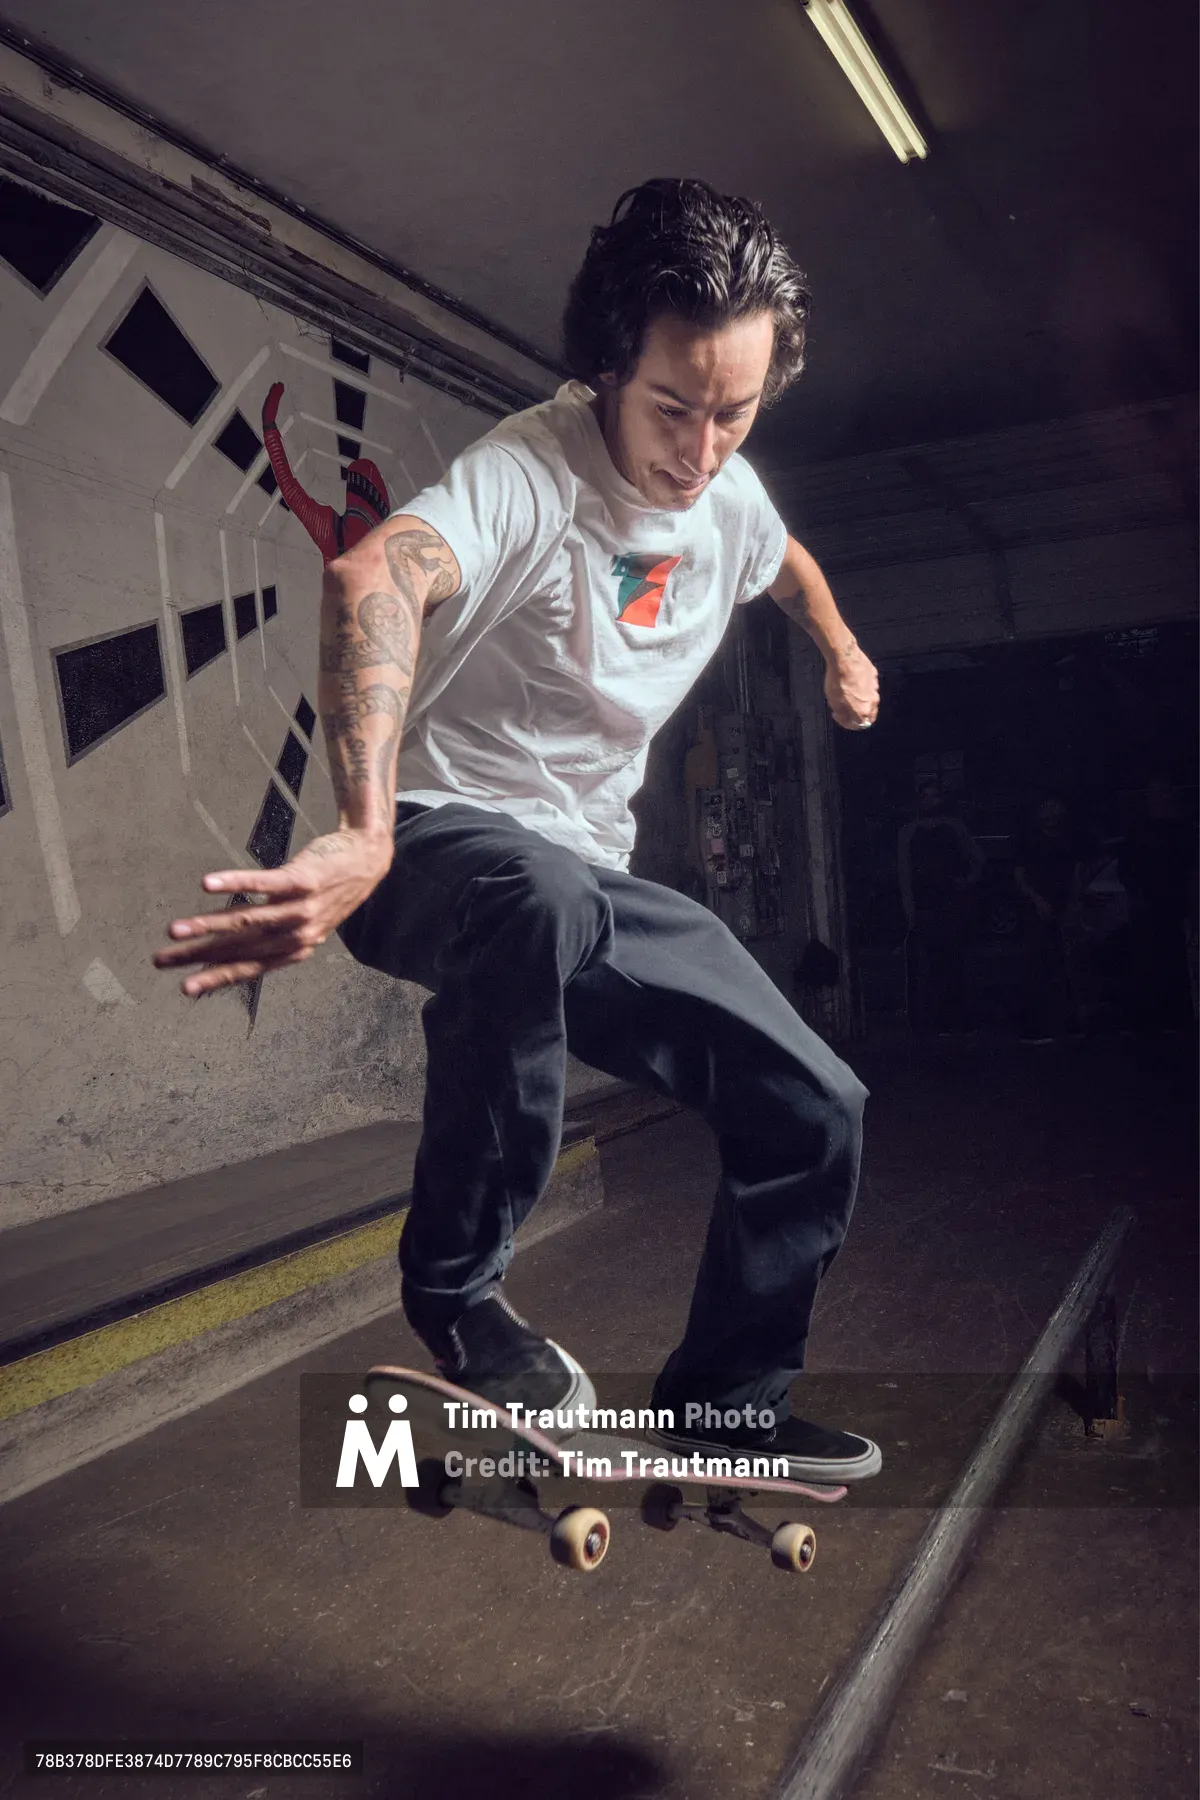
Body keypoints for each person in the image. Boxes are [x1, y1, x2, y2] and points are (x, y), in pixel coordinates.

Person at [153, 179, 883, 1484]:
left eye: (735, 412)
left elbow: (789, 561)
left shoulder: (729, 488)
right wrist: (365, 828)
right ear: (608, 364)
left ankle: (728, 1410)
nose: (700, 449)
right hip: (436, 849)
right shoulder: (530, 471)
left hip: (583, 882)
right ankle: (459, 1292)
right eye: (672, 408)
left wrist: (841, 650)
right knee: (537, 893)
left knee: (814, 1102)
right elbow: (377, 570)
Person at [260, 380, 390, 564]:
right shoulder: (335, 538)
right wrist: (269, 430)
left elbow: (289, 489)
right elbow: (290, 490)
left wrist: (269, 430)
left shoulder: (332, 537)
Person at [897, 780, 984, 1032]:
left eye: (935, 796)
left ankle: (957, 1019)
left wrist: (966, 882)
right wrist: (909, 909)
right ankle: (931, 1021)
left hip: (952, 903)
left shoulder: (954, 827)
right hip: (925, 905)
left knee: (955, 961)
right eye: (925, 796)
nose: (930, 801)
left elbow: (978, 859)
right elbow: (904, 873)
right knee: (929, 965)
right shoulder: (908, 832)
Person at [1118, 776, 1196, 1031]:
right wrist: (1137, 895)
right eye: (1155, 792)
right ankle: (1154, 1019)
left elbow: (1193, 868)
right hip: (1148, 906)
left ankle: (1179, 1016)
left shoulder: (1186, 830)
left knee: (1178, 961)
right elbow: (1126, 868)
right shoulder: (1139, 831)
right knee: (1149, 961)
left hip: (1178, 906)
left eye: (1164, 791)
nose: (1160, 797)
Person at [1013, 797, 1089, 1043]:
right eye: (1046, 808)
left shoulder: (1070, 840)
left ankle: (1070, 1022)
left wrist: (1074, 904)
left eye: (1055, 808)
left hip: (1063, 907)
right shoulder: (1029, 841)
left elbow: (1076, 873)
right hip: (1037, 909)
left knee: (1066, 965)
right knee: (1037, 964)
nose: (1052, 812)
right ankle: (1033, 1027)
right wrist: (1037, 901)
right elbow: (1020, 876)